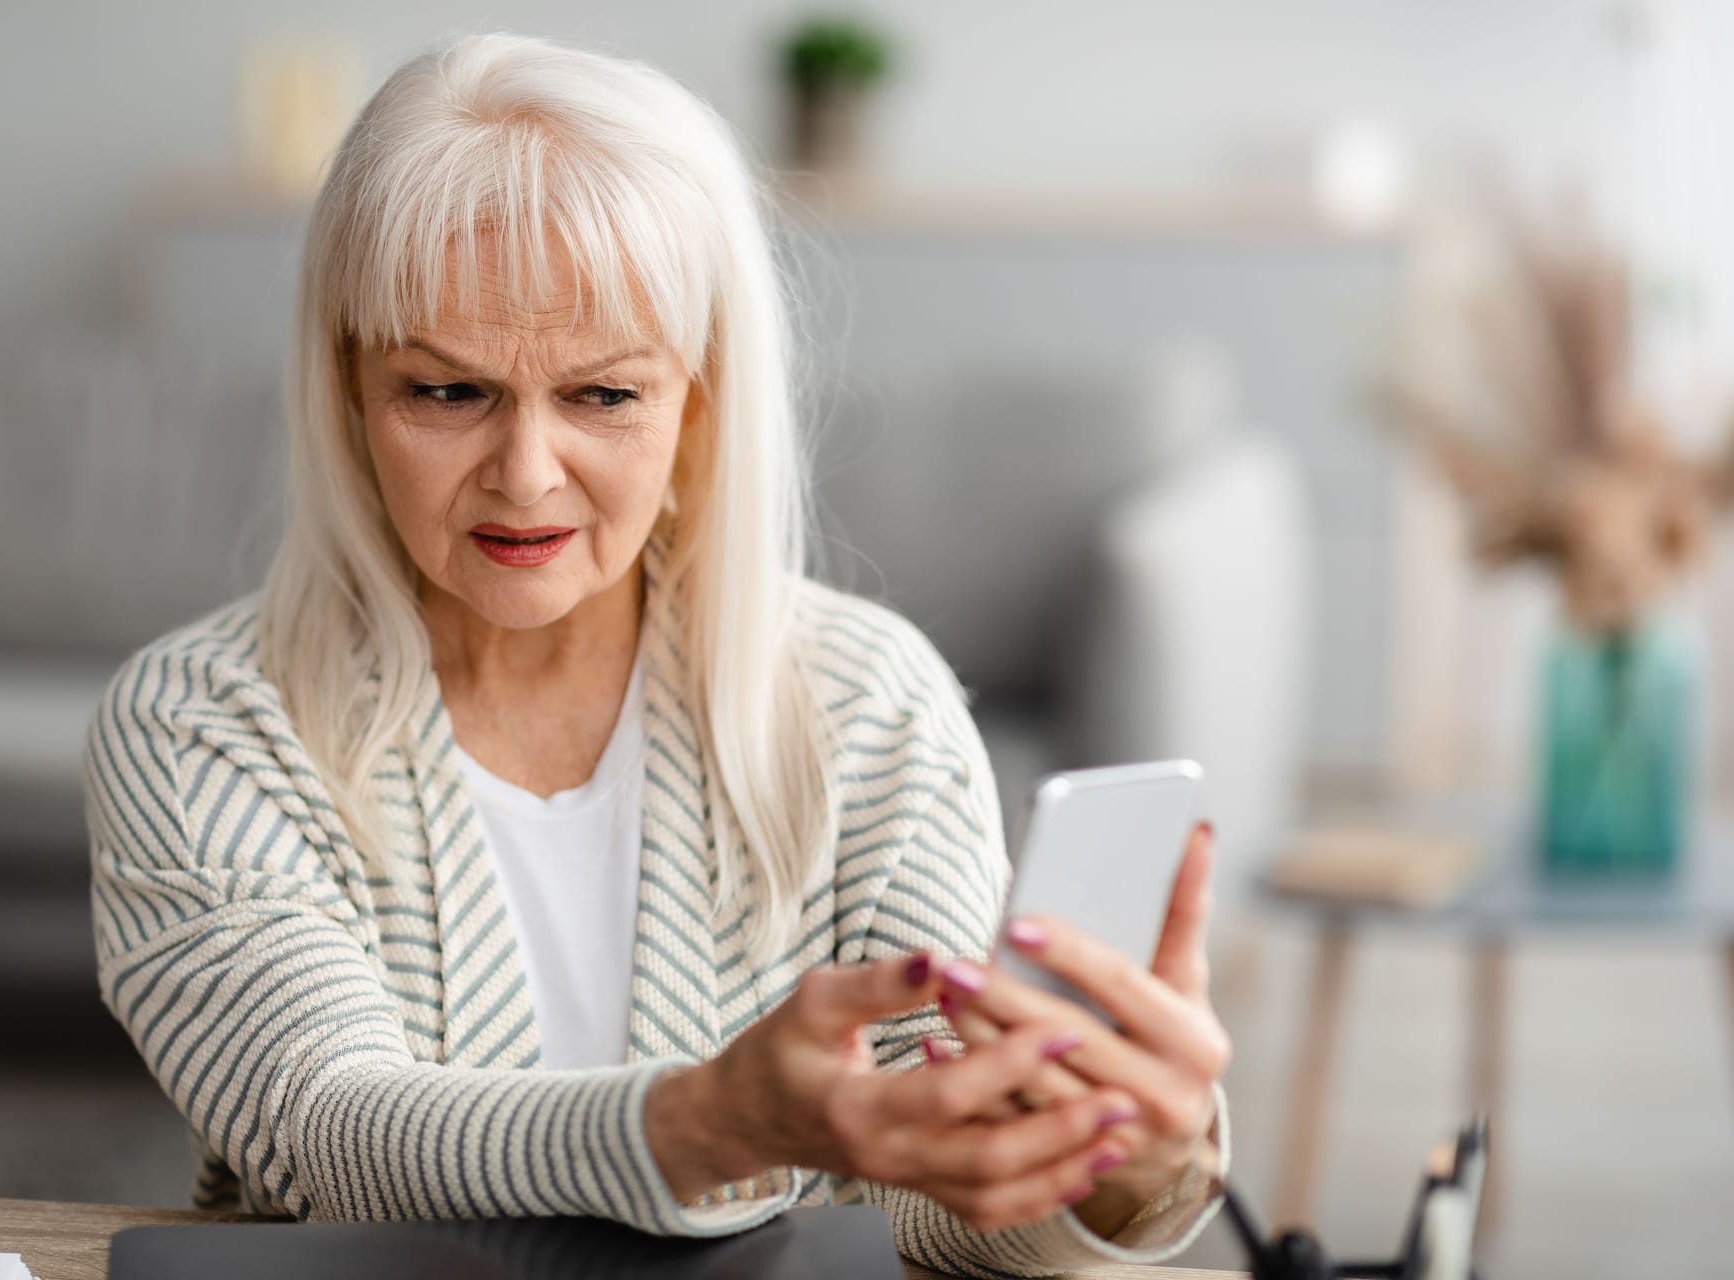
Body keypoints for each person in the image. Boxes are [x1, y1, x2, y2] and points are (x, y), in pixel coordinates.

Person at [82, 31, 1230, 1276]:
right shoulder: (201, 721)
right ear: (348, 387)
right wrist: (700, 1121)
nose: (525, 476)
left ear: (700, 400)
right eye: (448, 393)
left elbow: (931, 1201)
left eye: (604, 395)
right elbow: (325, 1129)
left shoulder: (865, 704)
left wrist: (1117, 1166)